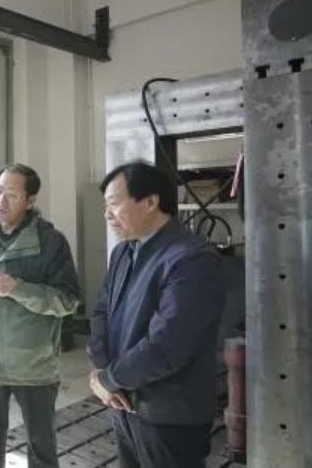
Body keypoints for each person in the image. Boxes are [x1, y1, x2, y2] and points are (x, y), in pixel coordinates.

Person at [88, 161, 225, 468]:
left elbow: (167, 346)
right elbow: (101, 313)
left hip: (169, 416)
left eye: (114, 203)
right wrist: (100, 370)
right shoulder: (123, 252)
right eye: (105, 206)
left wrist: (109, 378)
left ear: (150, 202)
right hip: (122, 404)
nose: (107, 214)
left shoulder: (192, 259)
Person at [0, 164, 80, 468]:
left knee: (41, 450)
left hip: (33, 368)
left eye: (11, 195)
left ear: (30, 200)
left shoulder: (51, 242)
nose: (1, 201)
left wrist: (19, 289)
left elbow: (68, 300)